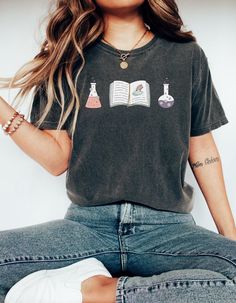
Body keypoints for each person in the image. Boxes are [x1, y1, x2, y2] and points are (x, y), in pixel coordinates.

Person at [0, 0, 236, 302]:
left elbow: (202, 148)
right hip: (86, 228)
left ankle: (102, 292)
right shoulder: (66, 59)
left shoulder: (186, 55)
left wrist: (229, 242)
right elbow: (57, 160)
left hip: (167, 230)